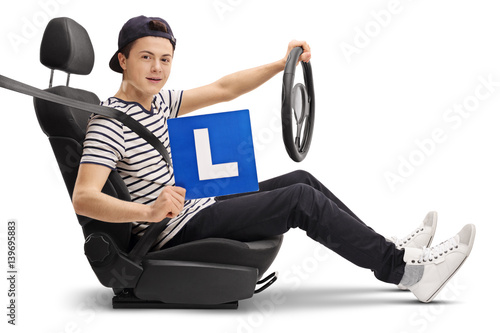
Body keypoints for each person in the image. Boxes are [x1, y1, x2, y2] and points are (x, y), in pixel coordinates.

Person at [72, 15, 476, 303]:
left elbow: (225, 88)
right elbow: (84, 198)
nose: (158, 68)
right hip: (172, 229)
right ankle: (407, 271)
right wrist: (148, 208)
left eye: (165, 59)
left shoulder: (160, 101)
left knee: (301, 178)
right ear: (123, 61)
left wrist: (283, 63)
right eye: (146, 57)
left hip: (197, 204)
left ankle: (384, 245)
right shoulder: (108, 123)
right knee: (299, 200)